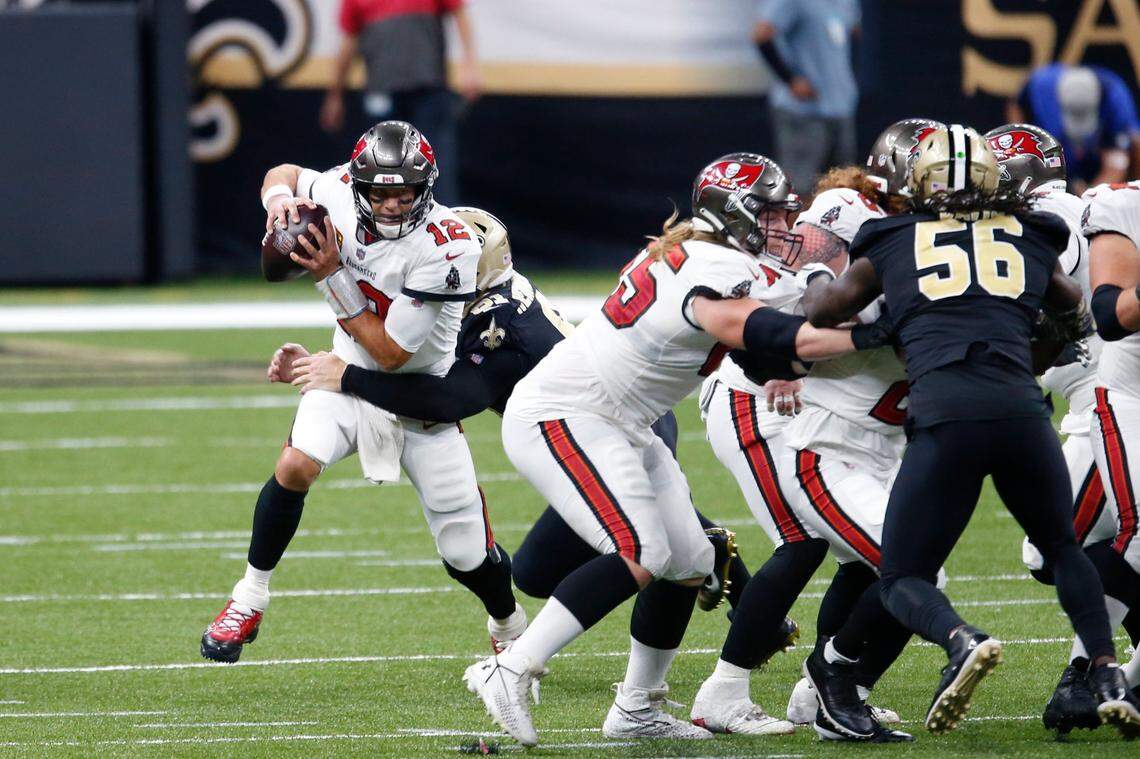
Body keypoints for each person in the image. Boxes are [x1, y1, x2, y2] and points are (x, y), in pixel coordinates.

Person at [286, 206, 751, 740]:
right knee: (548, 570)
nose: (434, 268)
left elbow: (449, 400)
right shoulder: (490, 295)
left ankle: (529, 671)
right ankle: (640, 701)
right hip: (595, 419)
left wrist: (347, 378)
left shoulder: (494, 319)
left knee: (647, 552)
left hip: (593, 423)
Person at [462, 153, 871, 747]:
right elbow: (763, 335)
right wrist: (872, 335)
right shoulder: (712, 265)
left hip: (624, 420)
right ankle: (512, 667)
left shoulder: (716, 255)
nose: (786, 224)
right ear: (733, 213)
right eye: (774, 212)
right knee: (640, 549)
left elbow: (768, 346)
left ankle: (636, 708)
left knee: (689, 560)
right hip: (568, 411)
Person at [802, 123, 1139, 738]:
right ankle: (1107, 669)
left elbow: (824, 312)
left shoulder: (892, 235)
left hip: (944, 415)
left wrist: (830, 283)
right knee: (1062, 548)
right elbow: (1072, 314)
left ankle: (961, 639)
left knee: (903, 573)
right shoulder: (1035, 233)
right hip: (1020, 410)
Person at [199, 120, 523, 664]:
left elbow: (393, 352)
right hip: (342, 375)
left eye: (404, 193)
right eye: (380, 192)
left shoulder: (449, 245)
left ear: (427, 188)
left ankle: (509, 623)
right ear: (358, 186)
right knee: (296, 465)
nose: (393, 204)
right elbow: (282, 173)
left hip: (420, 395)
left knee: (466, 554)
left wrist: (330, 275)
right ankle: (248, 597)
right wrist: (278, 201)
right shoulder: (339, 192)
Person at [983, 121, 1132, 735]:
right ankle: (1089, 671)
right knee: (1061, 547)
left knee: (1063, 543)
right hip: (1089, 406)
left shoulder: (1045, 222)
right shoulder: (1068, 211)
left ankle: (1089, 673)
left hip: (1113, 403)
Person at [320, 0, 480, 204]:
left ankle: (442, 231)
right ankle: (383, 232)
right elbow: (348, 43)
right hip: (383, 94)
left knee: (436, 170)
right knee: (381, 172)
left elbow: (459, 15)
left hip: (428, 93)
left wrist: (469, 66)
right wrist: (335, 95)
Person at [1083, 179, 1140, 729]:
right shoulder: (1124, 204)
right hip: (1131, 397)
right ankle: (1085, 669)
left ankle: (1128, 681)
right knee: (1139, 536)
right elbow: (1110, 313)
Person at [754, 0, 861, 192]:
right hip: (802, 111)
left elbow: (853, 34)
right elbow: (762, 35)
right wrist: (791, 80)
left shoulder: (848, 3)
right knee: (800, 188)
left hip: (841, 106)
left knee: (845, 186)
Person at [1007, 64, 1140, 195]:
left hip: (1094, 166)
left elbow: (1117, 164)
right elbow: (1016, 107)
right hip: (1053, 164)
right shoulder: (1039, 85)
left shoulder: (1115, 99)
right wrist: (1024, 155)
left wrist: (1088, 201)